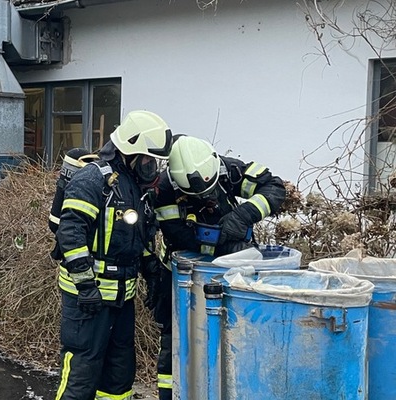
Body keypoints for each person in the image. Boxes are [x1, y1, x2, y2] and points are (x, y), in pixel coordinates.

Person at [149, 135, 286, 400]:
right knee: (175, 339)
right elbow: (178, 235)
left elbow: (274, 188)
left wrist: (242, 215)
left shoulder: (229, 170)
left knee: (239, 334)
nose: (206, 197)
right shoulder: (165, 188)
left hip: (235, 272)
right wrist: (218, 241)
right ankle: (173, 393)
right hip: (181, 274)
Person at [54, 110, 172, 400]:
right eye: (147, 159)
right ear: (129, 151)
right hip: (87, 300)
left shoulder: (135, 187)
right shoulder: (92, 180)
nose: (151, 166)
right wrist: (85, 285)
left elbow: (136, 236)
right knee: (82, 375)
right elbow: (70, 233)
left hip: (121, 298)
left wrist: (152, 270)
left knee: (118, 376)